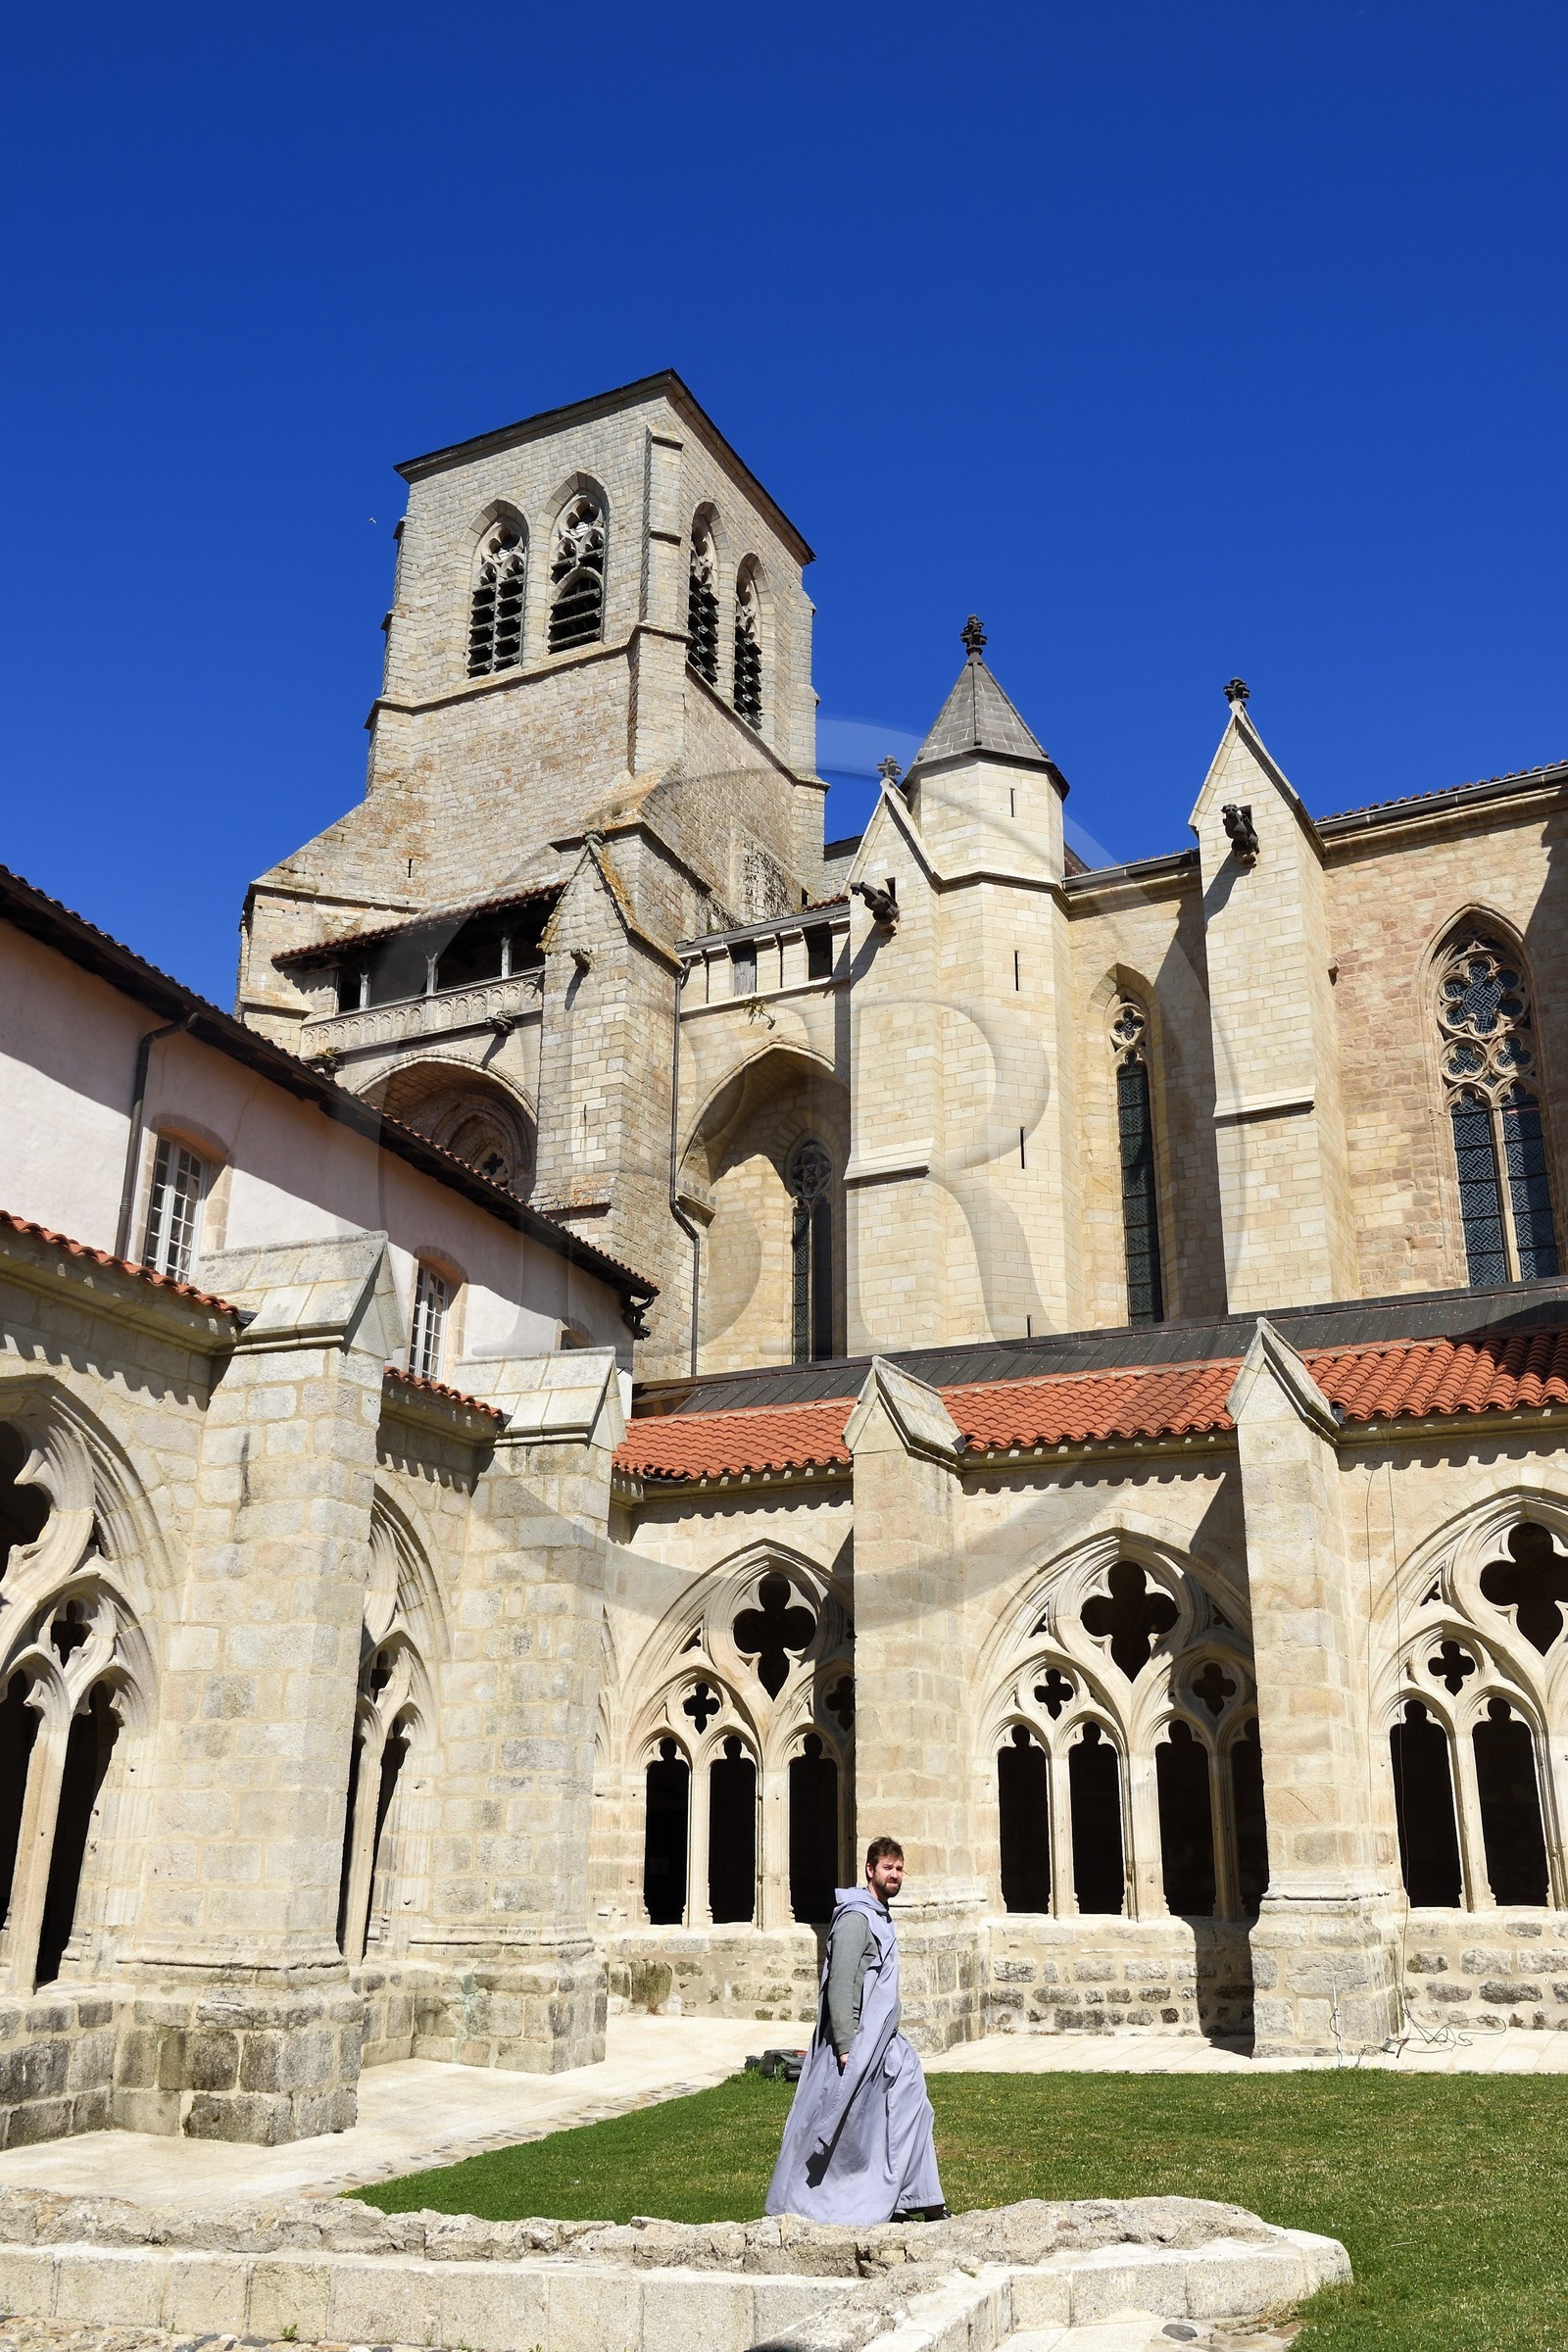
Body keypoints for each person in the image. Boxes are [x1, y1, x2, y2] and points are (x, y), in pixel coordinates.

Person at [765, 1836, 949, 2225]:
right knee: (841, 2127)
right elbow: (840, 1984)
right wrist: (846, 2046)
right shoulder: (855, 1919)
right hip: (856, 2044)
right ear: (870, 1870)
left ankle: (922, 2198)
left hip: (885, 2041)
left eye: (899, 1869)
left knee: (911, 2105)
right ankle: (805, 2204)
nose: (895, 1875)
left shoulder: (878, 1915)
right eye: (888, 1868)